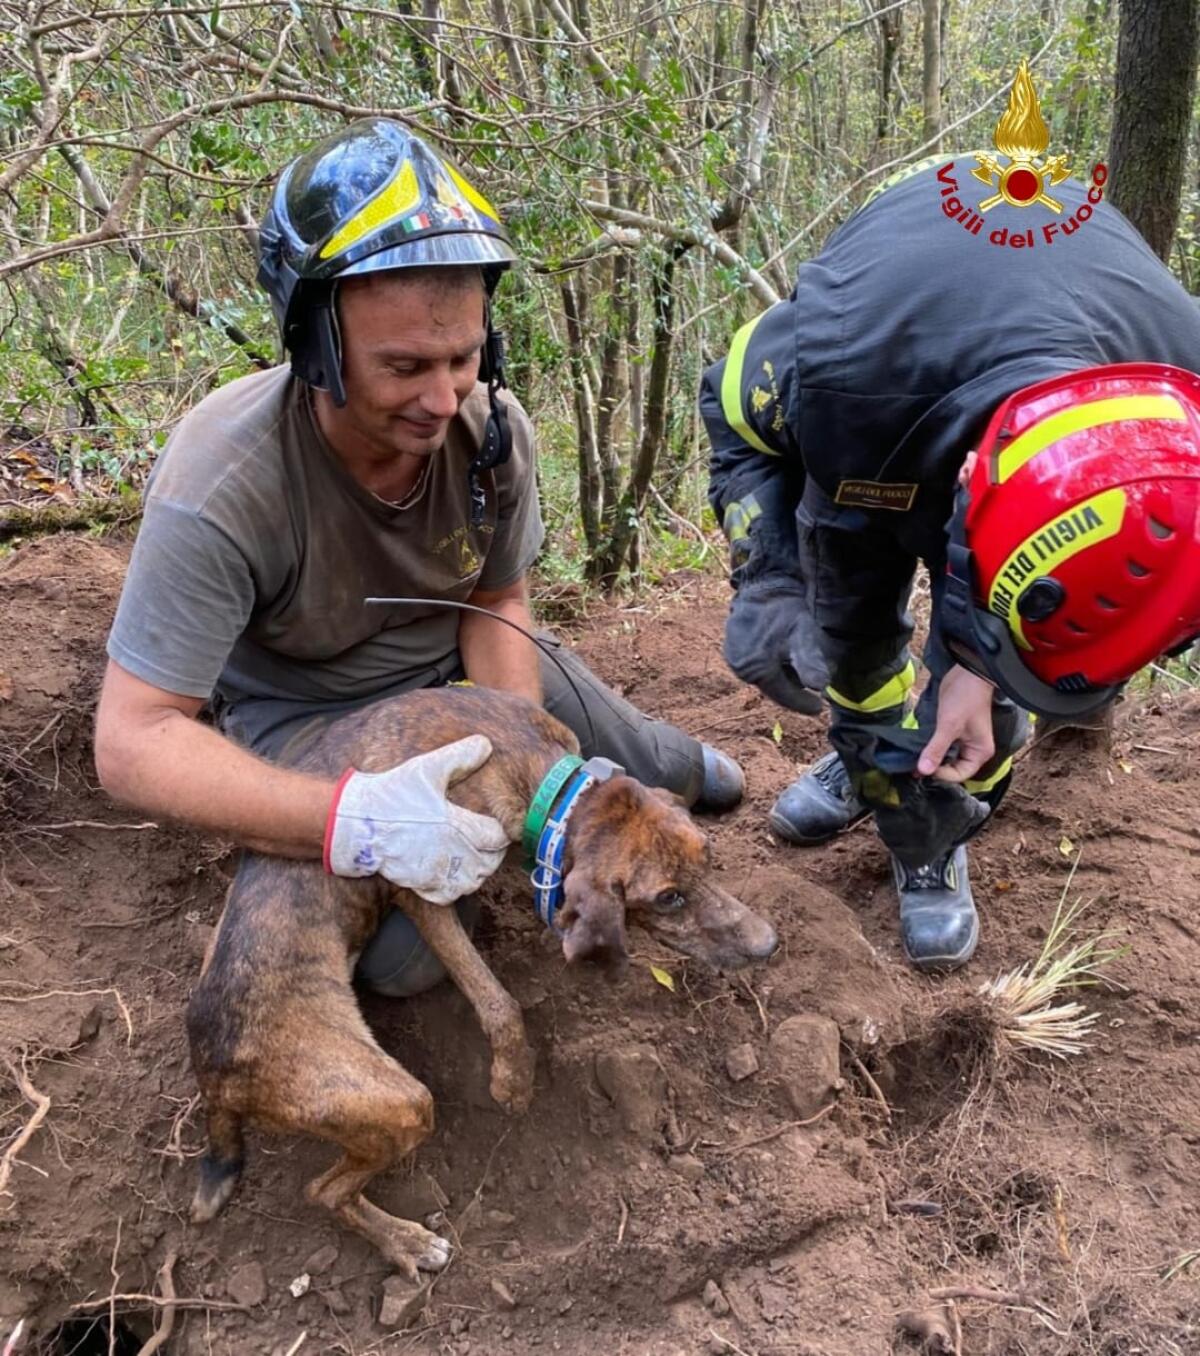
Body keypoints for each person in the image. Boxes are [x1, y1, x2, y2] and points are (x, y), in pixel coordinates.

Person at [95, 118, 744, 996]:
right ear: (319, 346)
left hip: (459, 670)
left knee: (666, 785)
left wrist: (519, 757)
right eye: (403, 366)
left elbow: (502, 599)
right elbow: (133, 741)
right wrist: (352, 820)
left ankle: (679, 760)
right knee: (403, 967)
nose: (442, 399)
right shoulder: (224, 481)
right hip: (311, 714)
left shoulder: (490, 431)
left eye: (464, 357)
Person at [702, 152, 1200, 972]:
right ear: (969, 490)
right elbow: (728, 406)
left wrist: (981, 666)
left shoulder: (1182, 417)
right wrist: (769, 571)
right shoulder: (841, 373)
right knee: (846, 636)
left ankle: (933, 781)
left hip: (1023, 366)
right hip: (891, 399)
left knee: (992, 697)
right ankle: (886, 781)